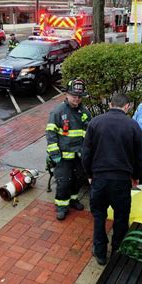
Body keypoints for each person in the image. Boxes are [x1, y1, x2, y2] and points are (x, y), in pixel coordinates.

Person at [82, 93, 142, 265]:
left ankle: (100, 252)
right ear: (127, 106)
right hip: (121, 181)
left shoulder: (95, 123)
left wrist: (88, 174)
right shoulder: (133, 126)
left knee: (99, 216)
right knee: (121, 217)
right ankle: (117, 249)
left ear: (110, 105)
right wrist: (136, 176)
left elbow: (86, 153)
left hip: (99, 180)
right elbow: (139, 156)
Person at [46, 79, 91, 221]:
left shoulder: (84, 112)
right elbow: (50, 133)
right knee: (64, 182)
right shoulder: (58, 112)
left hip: (78, 156)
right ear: (66, 94)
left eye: (79, 96)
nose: (76, 99)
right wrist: (54, 154)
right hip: (63, 157)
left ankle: (72, 200)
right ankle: (61, 206)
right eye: (74, 96)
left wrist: (86, 153)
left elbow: (88, 134)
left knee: (78, 180)